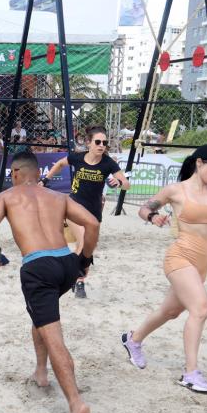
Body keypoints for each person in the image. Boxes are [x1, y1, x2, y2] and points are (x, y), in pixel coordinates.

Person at [0, 150, 98, 413]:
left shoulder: (7, 196)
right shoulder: (57, 196)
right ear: (37, 173)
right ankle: (41, 373)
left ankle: (76, 402)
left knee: (54, 338)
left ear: (15, 173)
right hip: (66, 263)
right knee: (42, 318)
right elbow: (92, 224)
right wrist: (85, 258)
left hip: (38, 268)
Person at [121, 145, 207, 394]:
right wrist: (153, 217)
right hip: (180, 257)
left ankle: (133, 339)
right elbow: (144, 208)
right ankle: (191, 374)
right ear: (199, 162)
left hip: (203, 263)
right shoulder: (177, 190)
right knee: (200, 309)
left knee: (170, 311)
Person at [41, 126, 130, 298]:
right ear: (88, 142)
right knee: (82, 243)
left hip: (94, 212)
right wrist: (45, 180)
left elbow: (127, 184)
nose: (102, 145)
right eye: (98, 142)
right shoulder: (77, 157)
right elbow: (60, 164)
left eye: (104, 142)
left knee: (88, 250)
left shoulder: (108, 163)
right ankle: (78, 281)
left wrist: (119, 183)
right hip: (74, 207)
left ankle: (76, 276)